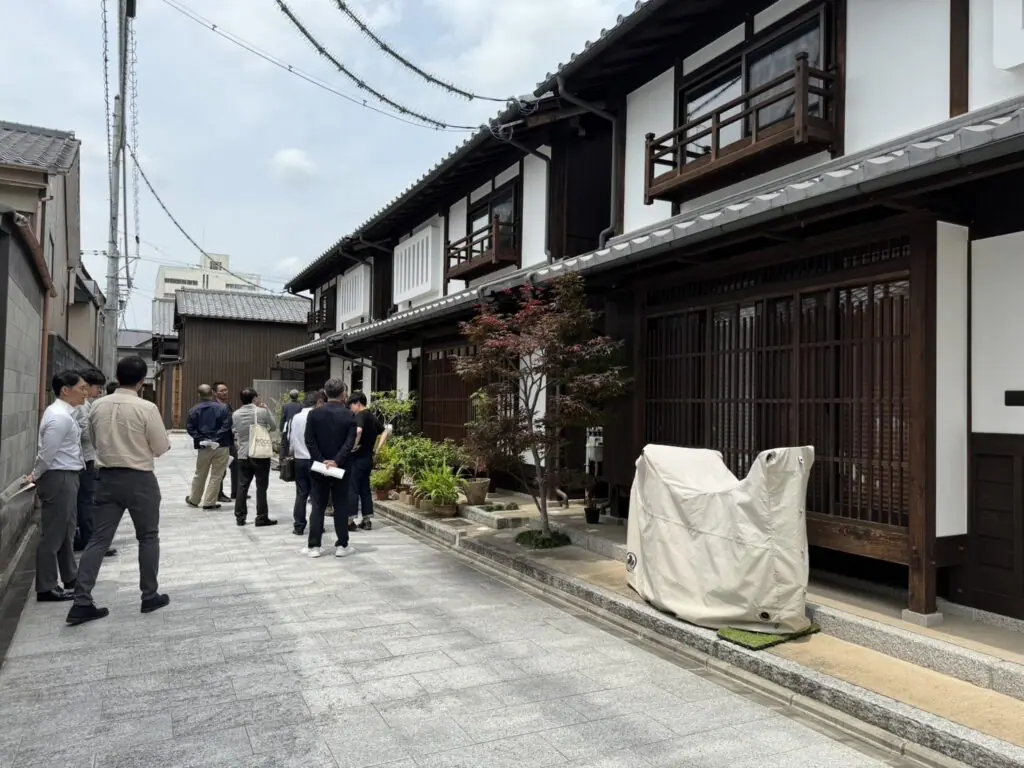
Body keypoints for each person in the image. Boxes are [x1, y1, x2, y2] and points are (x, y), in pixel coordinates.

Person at [67, 355, 171, 625]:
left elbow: (91, 437)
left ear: (117, 375)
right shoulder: (146, 408)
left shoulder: (96, 405)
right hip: (139, 478)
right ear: (142, 379)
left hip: (106, 476)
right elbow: (160, 448)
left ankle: (81, 600)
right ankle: (149, 595)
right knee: (148, 537)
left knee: (99, 539)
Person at [30, 370, 89, 602]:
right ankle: (46, 586)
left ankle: (70, 576)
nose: (85, 392)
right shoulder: (58, 417)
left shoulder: (66, 414)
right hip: (58, 477)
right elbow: (47, 453)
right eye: (82, 388)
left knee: (66, 531)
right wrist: (35, 474)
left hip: (67, 475)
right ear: (66, 390)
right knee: (54, 534)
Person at [302, 378, 357, 558]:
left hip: (319, 466)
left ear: (325, 393)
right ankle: (342, 545)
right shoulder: (349, 415)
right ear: (343, 394)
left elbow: (309, 441)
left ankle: (314, 546)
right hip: (341, 467)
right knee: (341, 504)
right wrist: (337, 460)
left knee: (318, 505)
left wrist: (322, 460)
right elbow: (350, 443)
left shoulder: (314, 414)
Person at [74, 369, 116, 558]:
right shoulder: (82, 407)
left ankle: (85, 537)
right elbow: (83, 433)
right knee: (87, 501)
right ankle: (90, 539)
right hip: (85, 457)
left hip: (86, 457)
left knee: (85, 500)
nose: (98, 391)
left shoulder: (86, 405)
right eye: (96, 387)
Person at [232, 388, 278, 527]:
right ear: (254, 399)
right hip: (260, 452)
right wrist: (267, 409)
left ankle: (240, 517)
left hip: (243, 453)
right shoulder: (262, 411)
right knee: (261, 486)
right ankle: (261, 517)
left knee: (242, 486)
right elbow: (274, 426)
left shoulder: (236, 414)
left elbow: (236, 431)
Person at [185, 383, 232, 510]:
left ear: (199, 394)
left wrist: (203, 439)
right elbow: (226, 426)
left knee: (200, 474)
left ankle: (194, 499)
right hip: (221, 445)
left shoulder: (194, 410)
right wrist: (215, 439)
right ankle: (209, 502)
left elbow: (190, 428)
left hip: (203, 447)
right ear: (212, 393)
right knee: (216, 475)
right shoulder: (223, 408)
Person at [287, 390, 325, 536]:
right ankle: (317, 525)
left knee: (301, 494)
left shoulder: (295, 418)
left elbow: (290, 439)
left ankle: (299, 525)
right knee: (317, 496)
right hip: (315, 460)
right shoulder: (318, 416)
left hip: (299, 460)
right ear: (319, 403)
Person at [347, 392, 382, 532]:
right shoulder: (372, 416)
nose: (351, 409)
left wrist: (353, 446)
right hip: (368, 458)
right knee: (365, 489)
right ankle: (367, 520)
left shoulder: (360, 416)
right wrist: (378, 449)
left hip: (357, 458)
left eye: (351, 405)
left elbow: (359, 431)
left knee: (353, 488)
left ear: (358, 404)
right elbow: (385, 431)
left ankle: (350, 520)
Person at [213, 381, 240, 502]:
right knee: (221, 468)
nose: (224, 392)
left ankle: (236, 491)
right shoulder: (213, 406)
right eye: (221, 390)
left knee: (236, 464)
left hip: (229, 440)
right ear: (215, 393)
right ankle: (218, 493)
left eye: (226, 390)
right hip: (219, 441)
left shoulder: (228, 406)